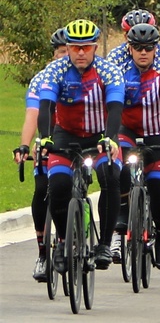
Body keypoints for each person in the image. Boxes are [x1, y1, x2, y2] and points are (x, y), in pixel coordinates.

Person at [36, 19, 125, 272]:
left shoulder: (108, 71)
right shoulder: (55, 70)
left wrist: (110, 137)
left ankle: (105, 244)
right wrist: (45, 137)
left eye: (86, 47)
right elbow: (46, 106)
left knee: (110, 174)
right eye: (75, 47)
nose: (81, 52)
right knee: (58, 185)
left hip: (99, 134)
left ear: (95, 47)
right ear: (68, 47)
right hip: (65, 135)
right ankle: (65, 241)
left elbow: (115, 107)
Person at [112, 24, 160, 269]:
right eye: (138, 47)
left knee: (158, 188)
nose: (143, 52)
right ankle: (122, 209)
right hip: (126, 130)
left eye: (149, 48)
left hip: (157, 132)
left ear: (156, 49)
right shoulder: (118, 71)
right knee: (118, 163)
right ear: (129, 48)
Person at [14, 27, 69, 281]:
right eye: (61, 52)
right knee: (41, 191)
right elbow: (32, 115)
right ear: (54, 54)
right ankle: (43, 253)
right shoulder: (42, 79)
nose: (65, 57)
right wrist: (25, 145)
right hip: (48, 141)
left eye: (70, 51)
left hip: (76, 142)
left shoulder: (84, 77)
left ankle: (74, 232)